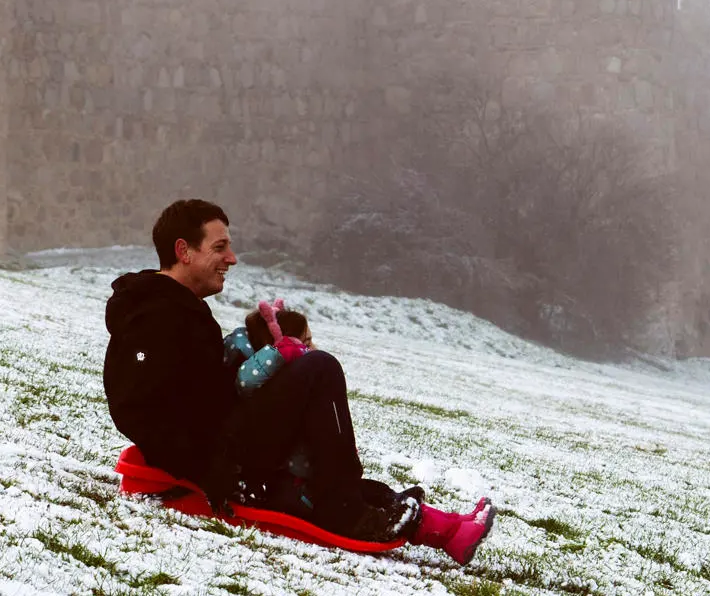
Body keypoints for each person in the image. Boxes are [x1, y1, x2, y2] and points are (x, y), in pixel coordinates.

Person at [102, 199, 496, 564]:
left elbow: (200, 387)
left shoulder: (178, 310)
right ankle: (344, 510)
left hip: (224, 441)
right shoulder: (153, 318)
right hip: (217, 455)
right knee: (319, 368)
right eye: (219, 247)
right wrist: (207, 470)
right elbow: (136, 408)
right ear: (183, 251)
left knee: (327, 469)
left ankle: (448, 532)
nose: (232, 258)